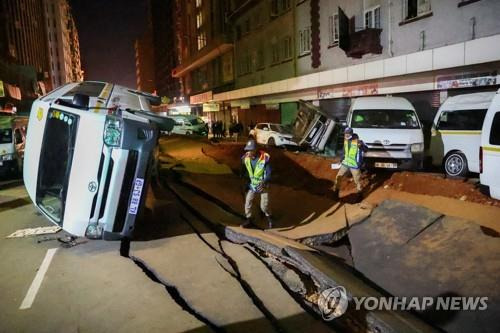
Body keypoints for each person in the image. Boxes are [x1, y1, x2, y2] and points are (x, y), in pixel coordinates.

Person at [240, 139, 273, 229]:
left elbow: (269, 173)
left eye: (251, 150)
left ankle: (269, 217)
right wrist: (245, 181)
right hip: (252, 184)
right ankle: (249, 219)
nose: (249, 152)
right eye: (247, 150)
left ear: (255, 150)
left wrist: (264, 182)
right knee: (248, 202)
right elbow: (244, 170)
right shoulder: (245, 158)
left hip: (263, 185)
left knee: (264, 206)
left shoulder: (264, 158)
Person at [332, 127, 368, 199]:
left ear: (351, 133)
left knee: (357, 180)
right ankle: (336, 192)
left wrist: (361, 146)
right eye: (345, 133)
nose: (346, 135)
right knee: (338, 177)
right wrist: (341, 158)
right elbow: (344, 150)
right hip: (345, 163)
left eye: (348, 133)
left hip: (354, 164)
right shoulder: (345, 140)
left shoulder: (358, 141)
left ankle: (359, 194)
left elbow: (366, 149)